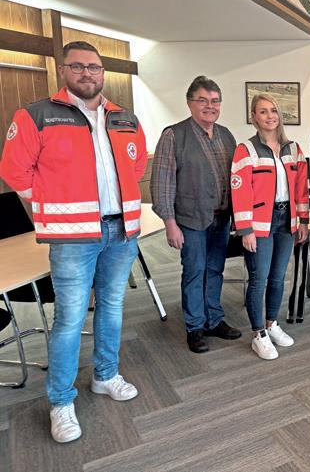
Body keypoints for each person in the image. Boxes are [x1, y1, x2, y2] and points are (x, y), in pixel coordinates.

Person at [0, 41, 147, 443]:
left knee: (112, 307)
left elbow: (136, 165)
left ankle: (106, 375)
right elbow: (14, 170)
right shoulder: (36, 115)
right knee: (69, 320)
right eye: (78, 66)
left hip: (121, 231)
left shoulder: (124, 117)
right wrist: (52, 201)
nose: (87, 73)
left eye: (94, 67)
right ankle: (61, 400)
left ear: (103, 73)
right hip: (72, 237)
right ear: (63, 70)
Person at [151, 76, 241, 353]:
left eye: (214, 101)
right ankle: (195, 327)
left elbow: (237, 178)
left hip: (221, 218)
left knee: (215, 269)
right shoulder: (174, 135)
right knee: (194, 271)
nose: (209, 106)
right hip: (190, 220)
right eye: (202, 100)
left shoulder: (226, 135)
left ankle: (213, 319)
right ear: (190, 103)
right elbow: (163, 182)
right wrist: (170, 223)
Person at [230, 94, 309, 359]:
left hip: (287, 221)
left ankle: (271, 324)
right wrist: (245, 229)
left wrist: (303, 221)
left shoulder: (293, 149)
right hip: (259, 225)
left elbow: (301, 190)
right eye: (263, 111)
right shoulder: (246, 150)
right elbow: (239, 192)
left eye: (273, 110)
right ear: (254, 117)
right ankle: (258, 334)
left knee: (278, 277)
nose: (269, 116)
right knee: (259, 278)